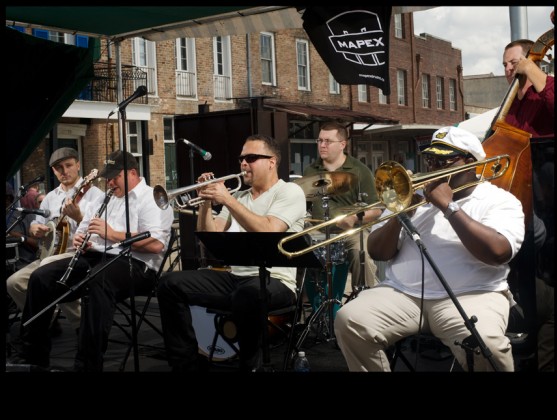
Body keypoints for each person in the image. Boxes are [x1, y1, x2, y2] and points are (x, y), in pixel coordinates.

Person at [334, 126, 525, 372]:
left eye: (444, 161)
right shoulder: (414, 196)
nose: (434, 168)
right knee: (349, 320)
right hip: (403, 294)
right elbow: (378, 252)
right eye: (430, 160)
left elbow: (498, 252)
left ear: (470, 162)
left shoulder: (499, 200)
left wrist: (449, 207)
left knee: (486, 345)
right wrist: (400, 214)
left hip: (473, 294)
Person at [157, 134, 307, 372]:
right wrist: (206, 200)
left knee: (247, 295)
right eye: (241, 159)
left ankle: (250, 366)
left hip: (276, 281)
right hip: (236, 278)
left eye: (251, 158)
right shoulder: (240, 196)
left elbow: (269, 230)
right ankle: (185, 364)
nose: (243, 164)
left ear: (272, 162)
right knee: (169, 284)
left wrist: (226, 199)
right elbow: (210, 235)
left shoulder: (289, 191)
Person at [16, 150, 174, 371]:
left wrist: (113, 234)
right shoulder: (107, 197)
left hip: (137, 263)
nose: (109, 183)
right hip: (96, 257)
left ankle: (87, 364)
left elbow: (156, 244)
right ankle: (32, 356)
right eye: (107, 178)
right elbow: (84, 228)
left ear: (132, 173)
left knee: (98, 281)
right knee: (41, 277)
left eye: (114, 177)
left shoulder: (152, 197)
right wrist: (82, 239)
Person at [7, 148, 104, 334]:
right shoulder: (50, 198)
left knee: (52, 274)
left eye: (68, 165)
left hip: (81, 256)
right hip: (50, 255)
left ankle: (82, 328)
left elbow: (101, 233)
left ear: (78, 165)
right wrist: (34, 228)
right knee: (14, 283)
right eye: (58, 167)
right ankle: (47, 320)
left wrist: (78, 217)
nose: (64, 171)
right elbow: (37, 223)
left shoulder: (94, 195)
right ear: (53, 171)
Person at [502, 38, 554, 371]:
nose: (509, 69)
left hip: (546, 196)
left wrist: (534, 70)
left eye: (513, 62)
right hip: (518, 199)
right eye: (504, 65)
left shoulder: (543, 89)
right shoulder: (509, 105)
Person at [303, 121, 382, 314]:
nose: (322, 145)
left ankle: (366, 308)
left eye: (328, 141)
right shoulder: (311, 170)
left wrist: (355, 218)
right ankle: (306, 308)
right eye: (320, 140)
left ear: (342, 144)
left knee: (360, 254)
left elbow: (378, 208)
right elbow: (303, 204)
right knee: (296, 252)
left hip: (351, 231)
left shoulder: (359, 170)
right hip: (318, 230)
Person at [5, 182, 39, 273]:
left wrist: (19, 236)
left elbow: (39, 244)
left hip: (22, 265)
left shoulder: (23, 216)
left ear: (8, 198)